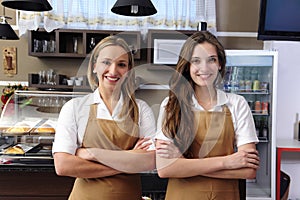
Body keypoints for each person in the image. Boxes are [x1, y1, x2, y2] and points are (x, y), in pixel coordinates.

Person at [155, 31, 260, 200]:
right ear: (187, 66)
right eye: (196, 61)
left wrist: (184, 165)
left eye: (211, 59)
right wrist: (227, 162)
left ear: (219, 64)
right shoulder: (171, 106)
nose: (204, 68)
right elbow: (165, 169)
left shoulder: (237, 104)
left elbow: (248, 170)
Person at [52, 35, 156, 200]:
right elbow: (63, 165)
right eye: (106, 62)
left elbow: (151, 160)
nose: (113, 71)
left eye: (121, 64)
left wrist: (93, 154)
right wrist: (128, 160)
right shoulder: (74, 108)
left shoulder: (141, 110)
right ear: (94, 66)